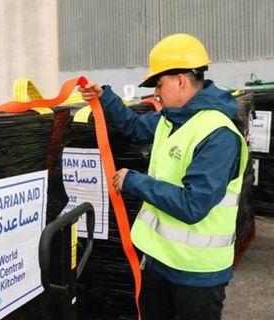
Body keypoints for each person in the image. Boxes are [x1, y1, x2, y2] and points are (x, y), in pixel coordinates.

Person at [79, 33, 248, 320]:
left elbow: (193, 205)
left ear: (181, 80)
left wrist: (134, 181)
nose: (156, 93)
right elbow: (133, 127)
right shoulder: (170, 119)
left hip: (197, 275)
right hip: (157, 262)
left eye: (159, 84)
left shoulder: (218, 135)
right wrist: (103, 97)